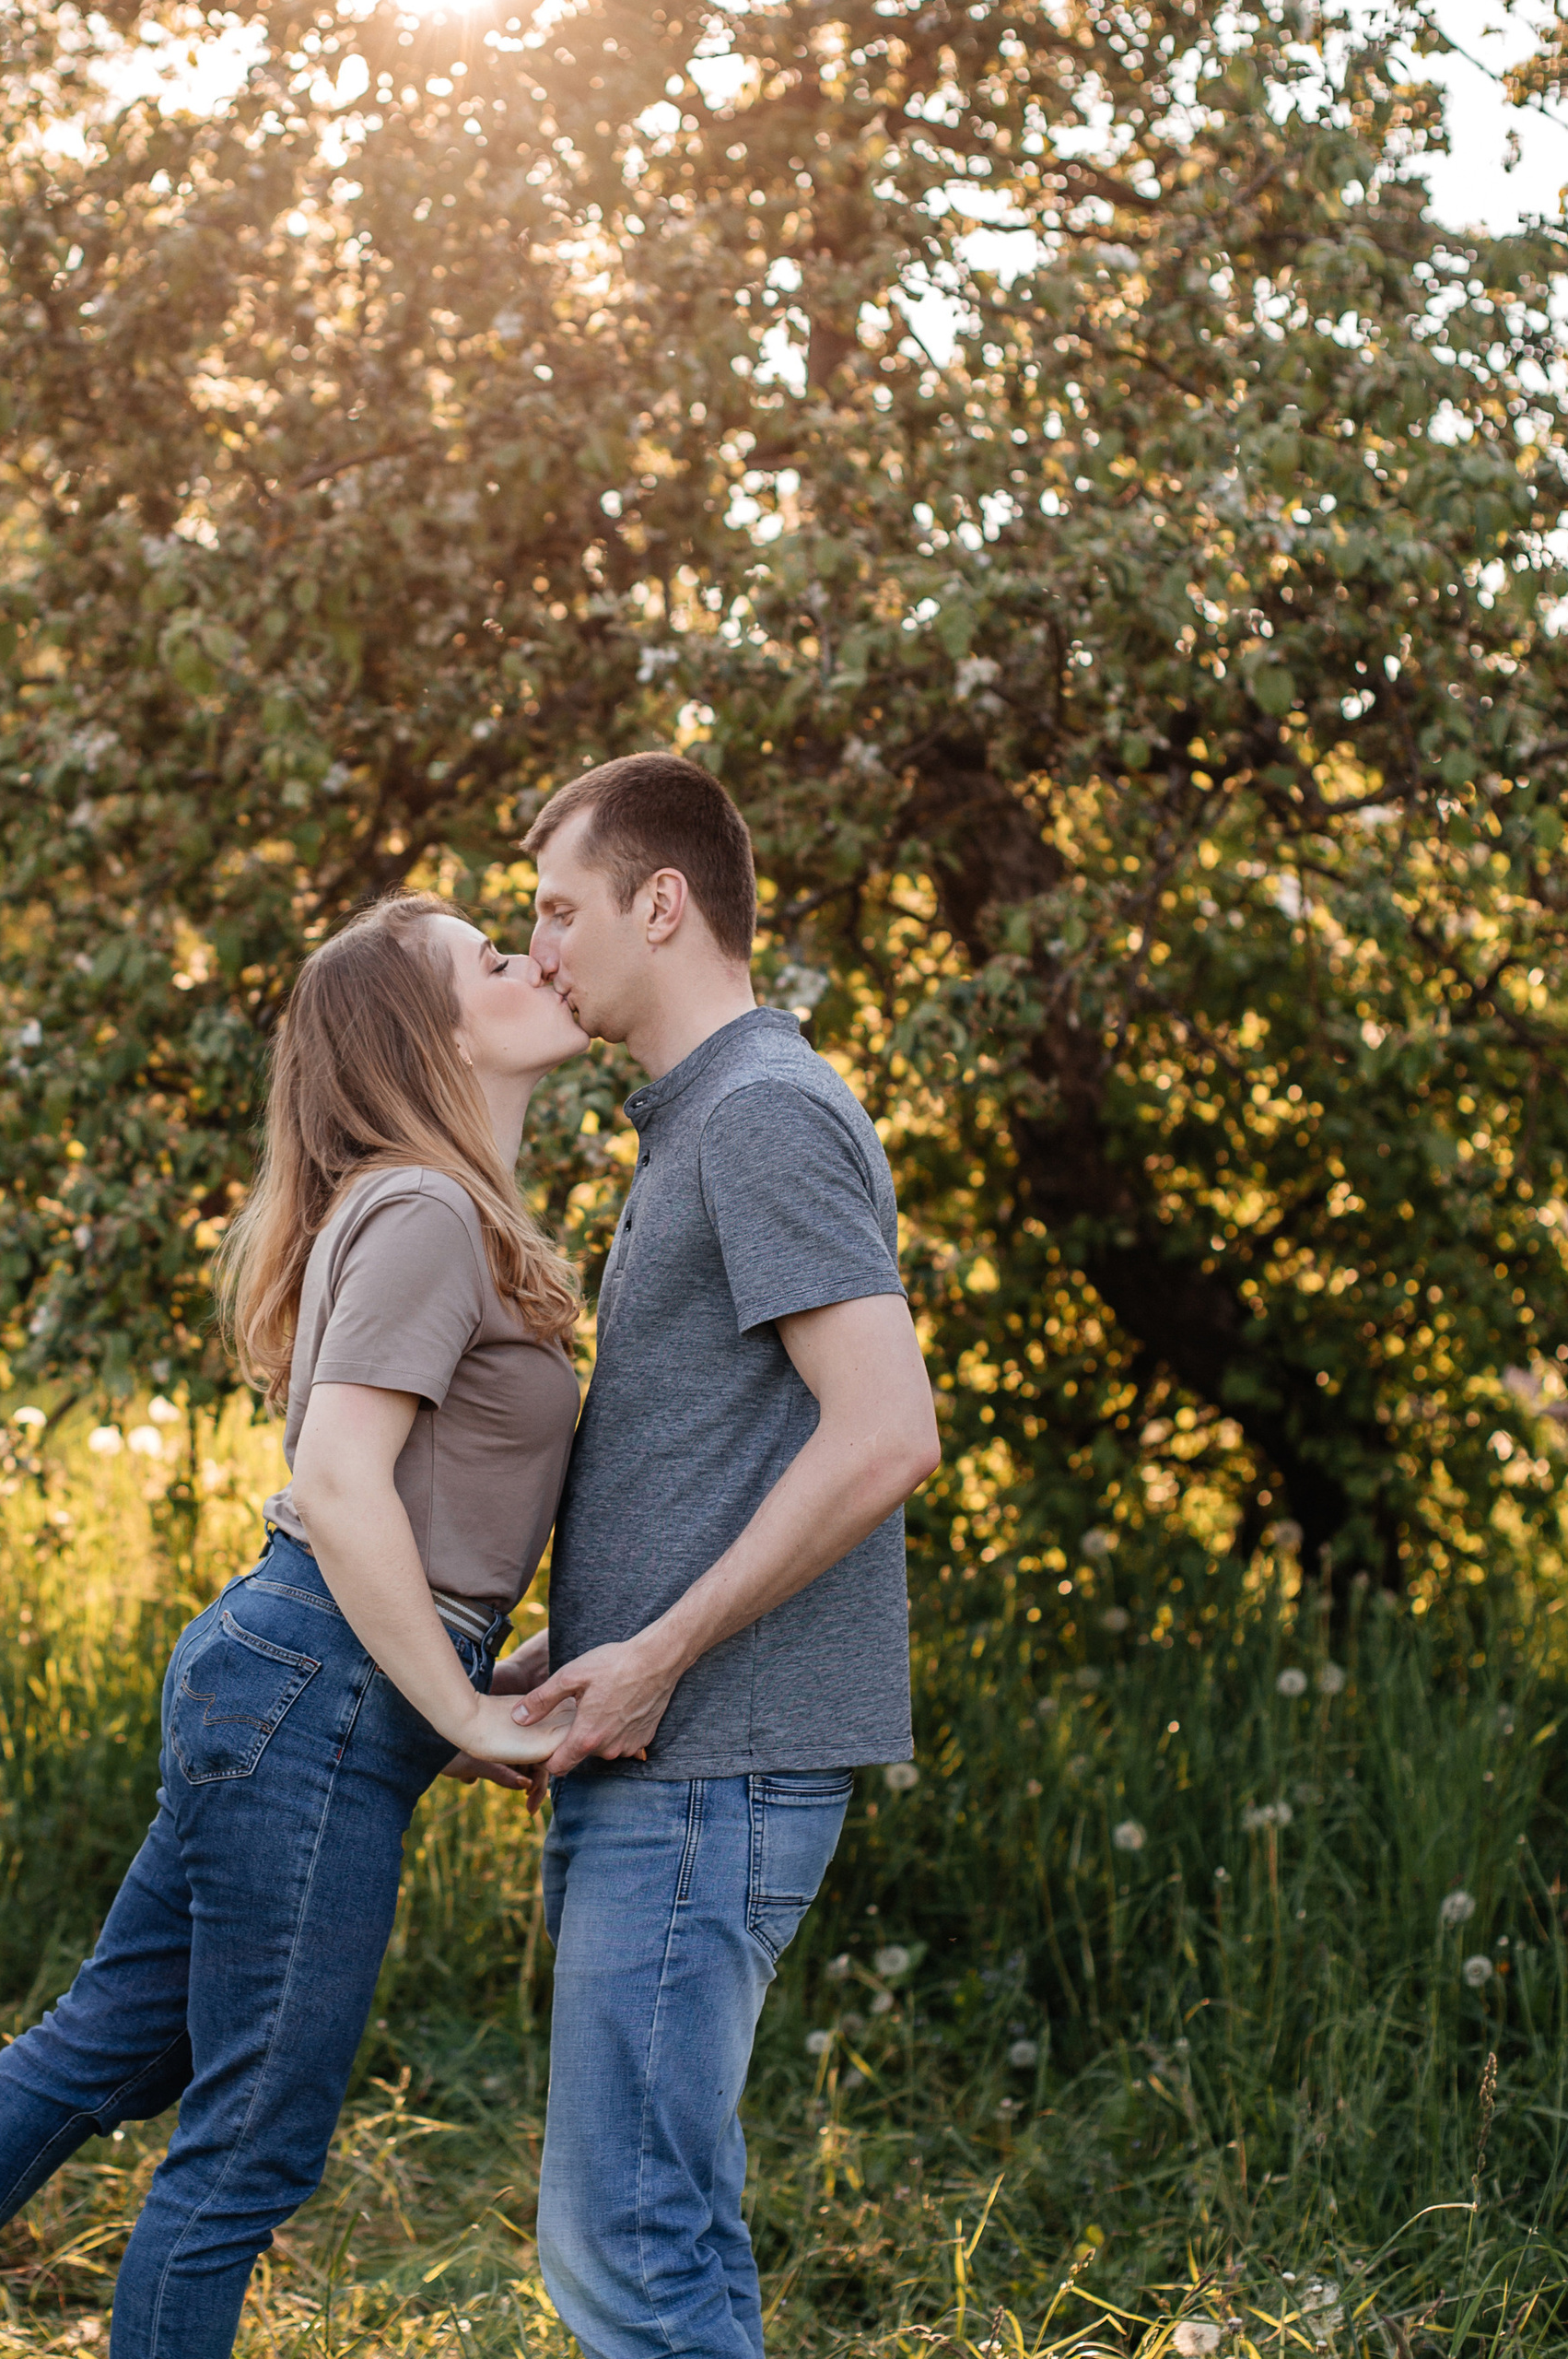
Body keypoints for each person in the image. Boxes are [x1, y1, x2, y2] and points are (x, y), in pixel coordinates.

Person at [0, 890, 589, 2359]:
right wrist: (458, 1707)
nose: (526, 961)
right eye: (486, 958)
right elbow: (339, 1481)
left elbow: (400, 1512)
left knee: (112, 2046)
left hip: (301, 1675)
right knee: (248, 2147)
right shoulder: (427, 1210)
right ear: (424, 1036)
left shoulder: (436, 1211)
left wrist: (464, 1679)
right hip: (311, 1679)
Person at [502, 750, 942, 2359]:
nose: (540, 948)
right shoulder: (702, 1121)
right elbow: (735, 1444)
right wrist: (594, 1632)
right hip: (675, 1754)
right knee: (646, 2218)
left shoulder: (761, 1113)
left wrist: (668, 1649)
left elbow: (885, 1432)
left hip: (716, 1765)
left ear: (661, 902)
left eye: (559, 910)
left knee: (630, 2239)